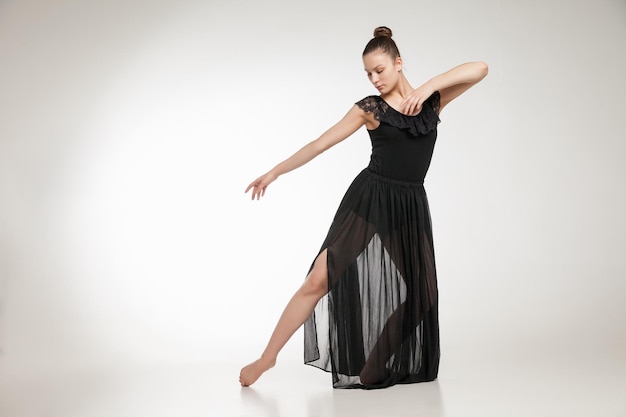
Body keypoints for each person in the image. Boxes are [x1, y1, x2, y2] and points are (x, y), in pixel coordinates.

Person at [240, 26, 488, 389]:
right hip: (371, 198)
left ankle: (373, 367)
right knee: (319, 279)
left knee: (422, 296)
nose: (374, 79)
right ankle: (267, 358)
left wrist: (427, 87)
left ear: (398, 63)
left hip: (409, 204)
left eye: (380, 70)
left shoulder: (430, 104)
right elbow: (319, 143)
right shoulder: (370, 109)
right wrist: (274, 171)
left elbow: (480, 68)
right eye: (368, 73)